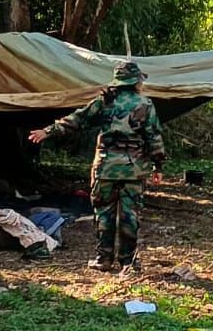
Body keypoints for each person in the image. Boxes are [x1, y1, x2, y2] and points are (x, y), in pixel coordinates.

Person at [28, 61, 166, 274]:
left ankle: (104, 259)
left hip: (105, 168)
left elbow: (77, 119)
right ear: (137, 81)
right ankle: (128, 262)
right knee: (130, 216)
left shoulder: (104, 102)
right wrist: (158, 165)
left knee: (104, 214)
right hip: (134, 169)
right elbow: (153, 136)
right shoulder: (145, 104)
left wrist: (48, 131)